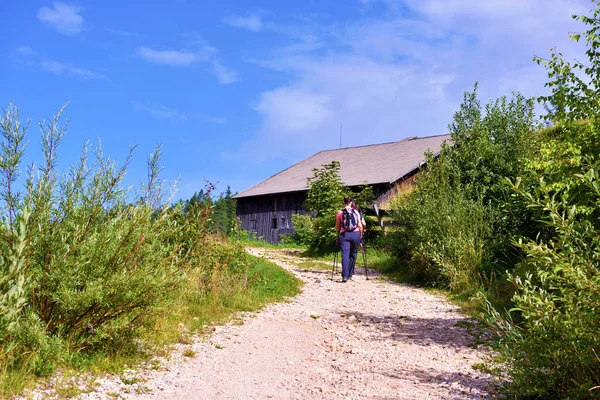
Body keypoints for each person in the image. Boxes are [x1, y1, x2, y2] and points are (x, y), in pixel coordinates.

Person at [335, 196, 363, 282]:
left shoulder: (340, 213)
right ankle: (350, 275)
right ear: (351, 202)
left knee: (345, 255)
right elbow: (360, 226)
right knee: (353, 254)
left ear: (343, 203)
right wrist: (360, 236)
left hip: (345, 235)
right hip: (356, 234)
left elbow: (337, 228)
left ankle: (345, 276)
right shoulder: (356, 212)